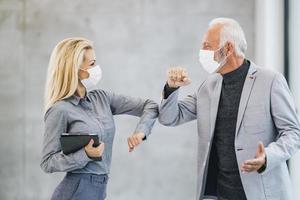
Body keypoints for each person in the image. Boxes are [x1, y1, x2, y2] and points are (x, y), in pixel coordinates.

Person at [158, 18, 300, 200]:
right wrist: (171, 88)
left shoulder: (270, 81)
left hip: (261, 193)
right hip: (219, 194)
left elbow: (293, 132)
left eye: (207, 46)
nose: (202, 52)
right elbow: (170, 117)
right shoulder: (208, 86)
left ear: (228, 48)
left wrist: (268, 157)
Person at [40, 37, 158, 200]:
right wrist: (85, 154)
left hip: (100, 188)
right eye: (92, 64)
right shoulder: (60, 110)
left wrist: (141, 132)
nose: (97, 68)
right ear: (75, 70)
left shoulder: (102, 98)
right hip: (76, 191)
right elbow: (47, 162)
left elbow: (150, 105)